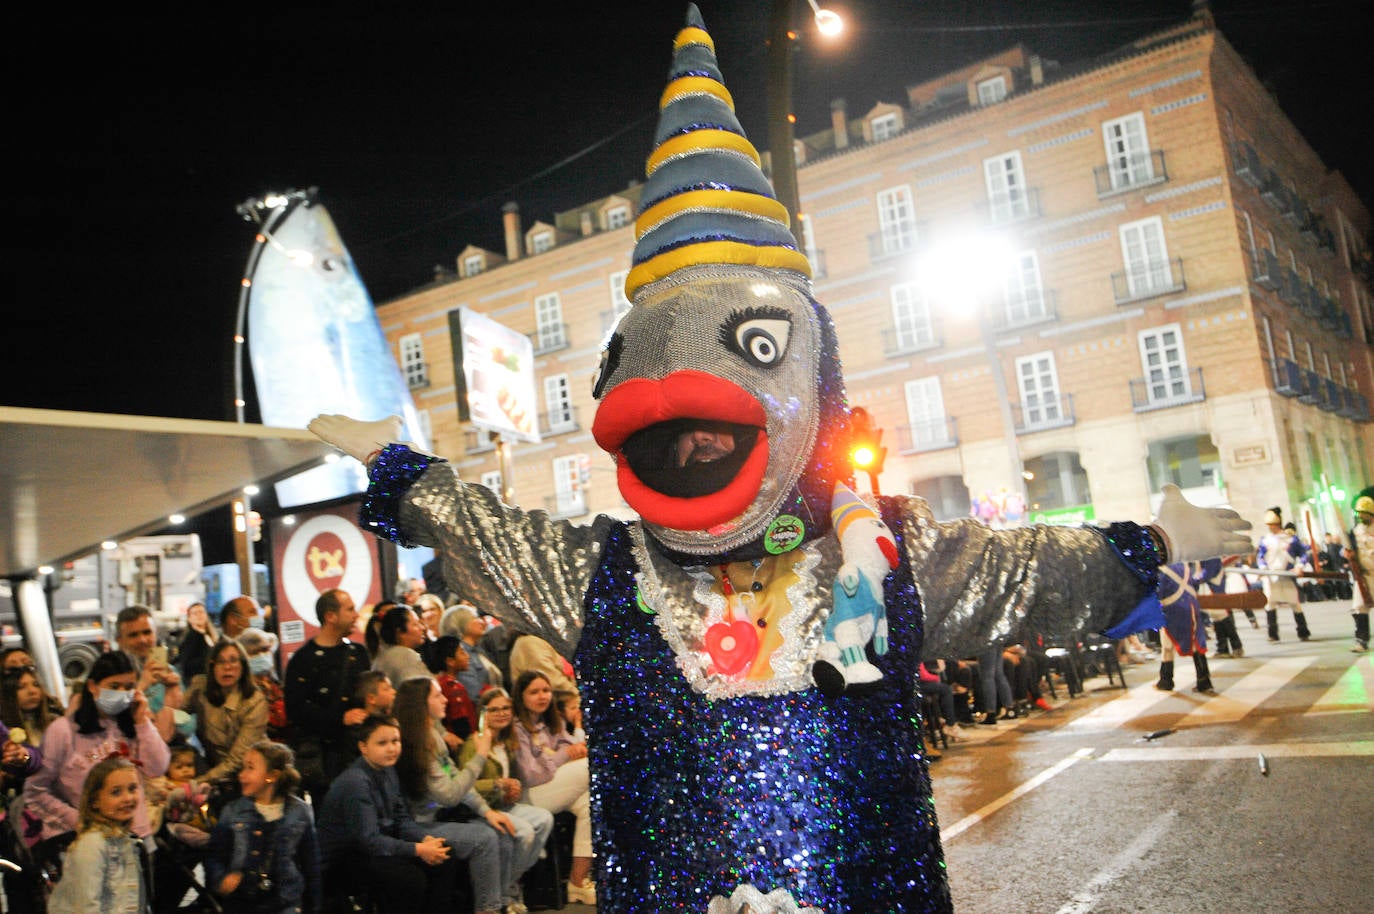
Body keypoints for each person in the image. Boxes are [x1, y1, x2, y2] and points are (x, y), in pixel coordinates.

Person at [306, 9, 1250, 910]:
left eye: (728, 394)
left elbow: (1030, 574)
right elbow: (487, 533)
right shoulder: (603, 576)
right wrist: (399, 468)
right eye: (672, 425)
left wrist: (1156, 542)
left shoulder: (884, 558)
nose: (693, 437)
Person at [24, 651, 170, 846]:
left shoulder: (133, 724)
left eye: (128, 687)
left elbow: (157, 767)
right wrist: (81, 821)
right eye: (114, 686)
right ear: (93, 686)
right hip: (86, 841)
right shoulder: (63, 731)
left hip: (136, 835)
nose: (121, 693)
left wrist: (142, 722)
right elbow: (36, 791)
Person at [315, 715, 459, 914]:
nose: (392, 748)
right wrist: (418, 849)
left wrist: (424, 839)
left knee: (445, 854)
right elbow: (368, 840)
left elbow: (401, 819)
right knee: (409, 879)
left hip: (375, 846)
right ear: (363, 747)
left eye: (395, 741)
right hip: (344, 858)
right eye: (382, 743)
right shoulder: (355, 782)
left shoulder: (388, 770)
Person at [394, 677, 512, 914]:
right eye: (437, 696)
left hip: (441, 815)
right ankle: (487, 909)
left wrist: (487, 811)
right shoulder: (415, 743)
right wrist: (480, 755)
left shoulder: (432, 734)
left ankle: (501, 903)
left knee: (503, 833)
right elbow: (449, 794)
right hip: (419, 824)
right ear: (421, 704)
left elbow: (456, 777)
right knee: (484, 839)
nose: (445, 700)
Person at [461, 688, 553, 913]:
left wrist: (512, 789)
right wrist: (498, 785)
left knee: (544, 819)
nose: (501, 713)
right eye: (494, 710)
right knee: (524, 832)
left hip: (503, 804)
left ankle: (506, 885)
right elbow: (464, 786)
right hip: (478, 811)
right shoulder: (474, 744)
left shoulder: (507, 740)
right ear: (483, 713)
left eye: (506, 708)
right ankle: (506, 894)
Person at [205, 741, 321, 914]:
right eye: (243, 768)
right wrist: (221, 879)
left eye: (250, 768)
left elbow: (310, 862)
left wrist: (314, 904)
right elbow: (214, 854)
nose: (241, 775)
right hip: (243, 902)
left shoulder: (299, 811)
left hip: (286, 901)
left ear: (272, 776)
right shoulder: (233, 810)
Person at [511, 671, 593, 904]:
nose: (542, 696)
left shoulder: (549, 722)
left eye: (546, 691)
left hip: (555, 786)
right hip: (529, 795)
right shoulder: (517, 727)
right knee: (590, 768)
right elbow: (531, 774)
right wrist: (563, 756)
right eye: (534, 692)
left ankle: (578, 882)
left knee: (592, 805)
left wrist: (565, 753)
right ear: (521, 696)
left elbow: (569, 744)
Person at [283, 588, 371, 801]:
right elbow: (296, 709)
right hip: (323, 759)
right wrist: (340, 718)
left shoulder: (358, 654)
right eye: (349, 609)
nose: (356, 615)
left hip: (358, 751)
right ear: (330, 616)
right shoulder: (303, 660)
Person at [47, 757, 150, 914]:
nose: (128, 798)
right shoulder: (92, 844)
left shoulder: (126, 841)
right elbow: (86, 906)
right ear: (95, 801)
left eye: (132, 789)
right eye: (116, 792)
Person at [182, 640, 270, 789]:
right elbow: (176, 714)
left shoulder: (255, 701)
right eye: (220, 661)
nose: (227, 667)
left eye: (233, 660)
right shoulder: (200, 688)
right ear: (212, 666)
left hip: (249, 773)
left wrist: (197, 783)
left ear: (243, 666)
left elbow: (237, 760)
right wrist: (170, 688)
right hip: (213, 769)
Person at [114, 604, 184, 743]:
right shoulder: (110, 677)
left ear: (155, 634)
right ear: (119, 641)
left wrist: (173, 694)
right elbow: (112, 725)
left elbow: (188, 726)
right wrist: (141, 686)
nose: (142, 640)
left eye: (147, 632)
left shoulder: (170, 673)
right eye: (133, 635)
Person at [1154, 562, 1216, 693]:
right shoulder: (1183, 565)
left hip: (1172, 610)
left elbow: (1158, 593)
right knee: (1196, 643)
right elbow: (1195, 583)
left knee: (1167, 646)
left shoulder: (1160, 570)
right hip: (1191, 606)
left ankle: (1166, 681)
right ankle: (1204, 680)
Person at [1256, 507, 1311, 642]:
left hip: (1287, 575)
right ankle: (1273, 633)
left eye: (1273, 525)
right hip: (1271, 576)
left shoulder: (1290, 539)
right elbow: (1261, 556)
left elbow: (1303, 554)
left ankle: (1303, 631)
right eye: (1269, 525)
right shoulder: (1265, 540)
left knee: (1294, 603)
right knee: (1270, 603)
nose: (1271, 528)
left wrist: (1299, 566)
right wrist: (1263, 568)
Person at [238, 628, 288, 740]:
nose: (261, 655)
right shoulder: (243, 690)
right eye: (254, 652)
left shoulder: (274, 684)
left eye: (265, 650)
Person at [425, 635, 478, 740]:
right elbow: (460, 721)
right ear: (450, 661)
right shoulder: (453, 687)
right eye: (462, 653)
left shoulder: (439, 682)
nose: (467, 656)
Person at [1, 664, 63, 746]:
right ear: (9, 695)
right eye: (21, 687)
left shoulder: (55, 721)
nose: (32, 691)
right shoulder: (4, 732)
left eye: (36, 685)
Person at [373, 605, 433, 686]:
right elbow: (422, 690)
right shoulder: (406, 656)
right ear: (400, 632)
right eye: (415, 624)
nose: (422, 628)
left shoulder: (383, 656)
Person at [508, 631, 577, 700]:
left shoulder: (537, 641)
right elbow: (551, 679)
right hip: (557, 701)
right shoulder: (529, 643)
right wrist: (577, 696)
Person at [1346, 488, 1374, 653]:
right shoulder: (1355, 532)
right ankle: (1361, 640)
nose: (1361, 516)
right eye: (1359, 513)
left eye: (1364, 514)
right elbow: (1350, 550)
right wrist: (1349, 555)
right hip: (1364, 575)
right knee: (1359, 607)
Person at [178, 602, 219, 681]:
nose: (199, 615)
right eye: (195, 613)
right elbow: (186, 665)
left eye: (201, 612)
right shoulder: (190, 638)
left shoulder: (210, 636)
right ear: (189, 619)